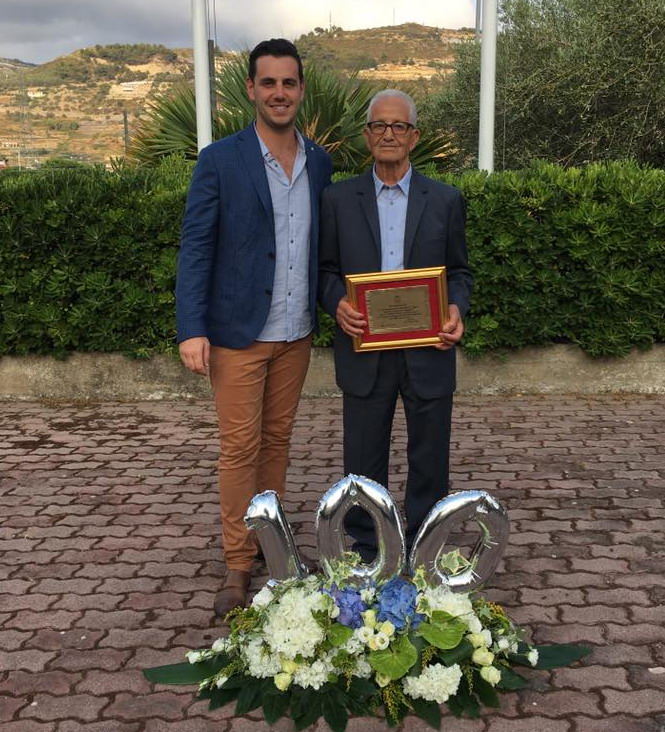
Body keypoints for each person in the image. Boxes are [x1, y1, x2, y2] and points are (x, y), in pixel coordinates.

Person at [176, 38, 333, 616]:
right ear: (251, 89)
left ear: (300, 89)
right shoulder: (220, 159)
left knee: (277, 443)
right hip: (237, 333)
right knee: (239, 448)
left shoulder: (320, 163)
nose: (279, 93)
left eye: (289, 83)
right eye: (269, 83)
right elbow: (197, 247)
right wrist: (191, 327)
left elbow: (323, 248)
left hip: (296, 331)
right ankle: (238, 565)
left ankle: (271, 543)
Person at [318, 89, 473, 563]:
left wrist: (456, 309)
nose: (389, 134)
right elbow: (324, 270)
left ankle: (425, 548)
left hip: (428, 348)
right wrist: (336, 303)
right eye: (379, 125)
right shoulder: (337, 200)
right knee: (363, 460)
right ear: (367, 136)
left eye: (398, 126)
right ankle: (370, 551)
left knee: (430, 457)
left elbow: (460, 272)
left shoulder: (445, 200)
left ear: (414, 136)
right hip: (364, 350)